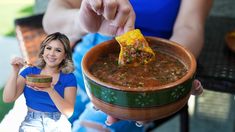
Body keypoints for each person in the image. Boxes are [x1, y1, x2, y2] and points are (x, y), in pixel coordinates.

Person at [42, 0, 213, 131]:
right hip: (88, 55)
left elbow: (189, 27)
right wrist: (81, 22)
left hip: (152, 66)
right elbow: (51, 19)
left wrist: (170, 83)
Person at [2, 32, 77, 131]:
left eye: (58, 50)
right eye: (48, 48)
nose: (51, 54)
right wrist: (15, 71)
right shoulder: (29, 72)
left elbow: (68, 112)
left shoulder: (69, 78)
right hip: (32, 123)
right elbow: (8, 98)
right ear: (43, 51)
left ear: (65, 56)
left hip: (58, 124)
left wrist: (50, 90)